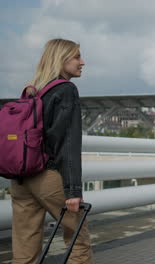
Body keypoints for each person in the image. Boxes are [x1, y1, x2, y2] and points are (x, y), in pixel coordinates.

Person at [10, 38, 93, 263]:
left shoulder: (33, 90)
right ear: (62, 59)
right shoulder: (66, 90)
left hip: (20, 178)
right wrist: (73, 190)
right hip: (47, 177)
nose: (82, 62)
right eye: (77, 56)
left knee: (24, 247)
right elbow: (68, 143)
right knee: (78, 240)